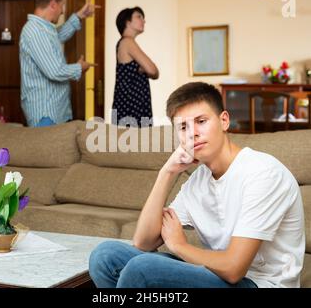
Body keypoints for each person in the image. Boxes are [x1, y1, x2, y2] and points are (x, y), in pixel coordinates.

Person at [89, 82, 305, 288]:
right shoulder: (198, 180)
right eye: (183, 126)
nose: (192, 133)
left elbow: (233, 269)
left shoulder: (263, 173)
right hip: (216, 276)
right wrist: (167, 172)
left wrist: (179, 246)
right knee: (106, 256)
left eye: (201, 121)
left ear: (224, 121)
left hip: (260, 283)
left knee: (143, 268)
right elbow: (144, 242)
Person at [20, 0, 98, 127]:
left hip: (55, 112)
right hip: (46, 115)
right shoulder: (35, 31)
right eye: (62, 6)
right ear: (53, 4)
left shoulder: (44, 29)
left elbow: (58, 36)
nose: (62, 11)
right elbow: (54, 71)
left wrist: (79, 16)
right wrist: (79, 68)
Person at [112, 7, 159, 128]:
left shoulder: (124, 43)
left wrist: (144, 69)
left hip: (128, 107)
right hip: (131, 108)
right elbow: (153, 70)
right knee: (136, 144)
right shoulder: (128, 42)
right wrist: (144, 68)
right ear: (127, 22)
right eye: (139, 17)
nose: (143, 21)